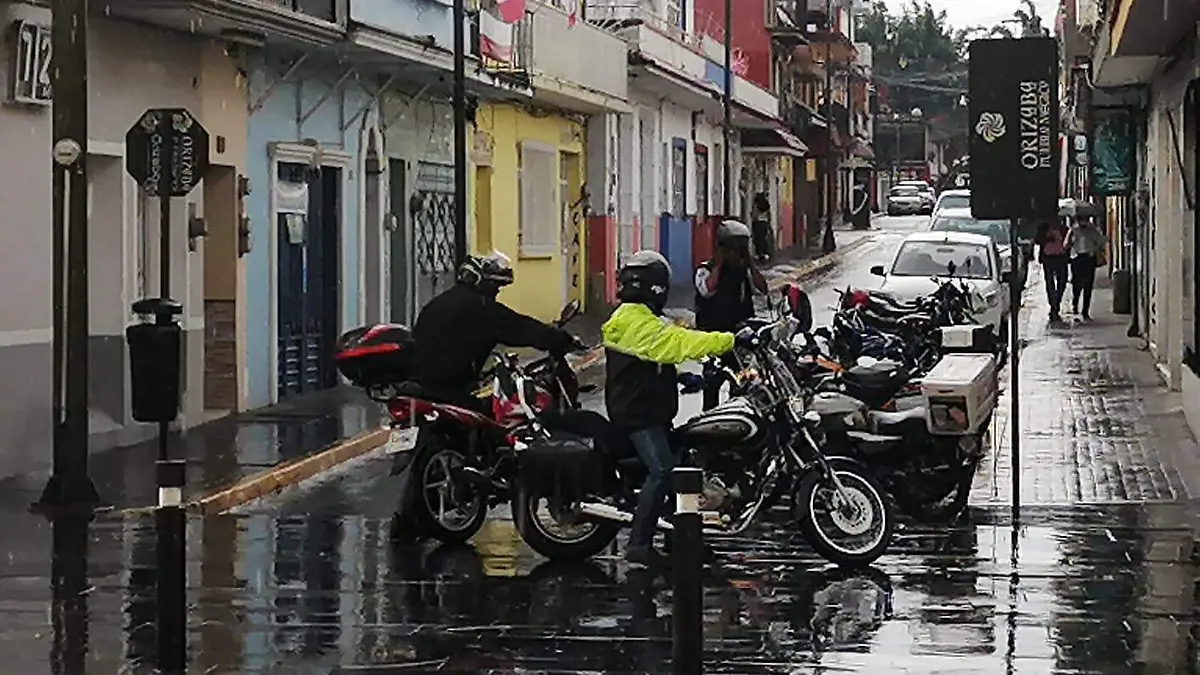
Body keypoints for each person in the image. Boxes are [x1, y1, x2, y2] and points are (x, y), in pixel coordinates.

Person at [603, 250, 757, 567]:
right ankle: (639, 545)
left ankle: (682, 539)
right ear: (655, 287)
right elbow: (676, 343)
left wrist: (687, 376)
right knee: (662, 471)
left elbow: (654, 358)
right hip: (637, 417)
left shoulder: (638, 316)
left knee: (687, 463)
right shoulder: (632, 320)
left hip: (650, 410)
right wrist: (730, 341)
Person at [411, 250, 578, 407]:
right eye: (495, 286)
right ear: (480, 281)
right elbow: (521, 328)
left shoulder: (440, 302)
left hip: (424, 383)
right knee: (499, 421)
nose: (496, 292)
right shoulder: (481, 309)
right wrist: (562, 340)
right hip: (453, 389)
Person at [694, 220, 768, 410]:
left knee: (743, 383)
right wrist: (719, 263)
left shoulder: (742, 270)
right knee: (712, 384)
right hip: (713, 337)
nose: (735, 255)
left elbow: (762, 288)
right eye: (732, 250)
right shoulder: (705, 269)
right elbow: (707, 290)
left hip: (739, 338)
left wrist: (750, 263)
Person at [1065, 215, 1108, 320]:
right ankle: (1075, 303)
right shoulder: (1073, 230)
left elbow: (1101, 242)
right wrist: (1070, 241)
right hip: (1076, 258)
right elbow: (1066, 244)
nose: (1082, 222)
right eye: (1080, 220)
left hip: (1089, 258)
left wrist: (1096, 247)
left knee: (1088, 285)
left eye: (1084, 219)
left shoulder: (1093, 230)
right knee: (1076, 284)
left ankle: (1085, 311)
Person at [1035, 218, 1070, 321]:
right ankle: (1053, 306)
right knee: (1050, 283)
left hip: (1061, 257)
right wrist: (1048, 238)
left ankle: (1057, 301)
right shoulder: (1043, 228)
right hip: (1048, 258)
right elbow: (1037, 240)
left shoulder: (1064, 229)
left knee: (1062, 281)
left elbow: (1069, 241)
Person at [750, 193, 774, 262]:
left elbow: (753, 215)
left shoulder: (756, 205)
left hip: (757, 223)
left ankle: (759, 253)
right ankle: (765, 253)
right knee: (763, 238)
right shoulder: (767, 205)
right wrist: (769, 224)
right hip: (764, 223)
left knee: (757, 239)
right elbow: (769, 215)